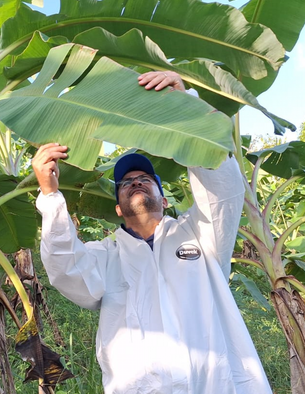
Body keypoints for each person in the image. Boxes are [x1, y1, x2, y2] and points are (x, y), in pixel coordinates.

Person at [32, 71, 271, 393]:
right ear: (118, 208)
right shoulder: (105, 256)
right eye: (126, 183)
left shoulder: (201, 233)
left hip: (217, 384)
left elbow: (222, 191)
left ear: (164, 199)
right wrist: (50, 195)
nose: (136, 182)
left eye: (145, 179)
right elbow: (66, 270)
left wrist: (187, 108)